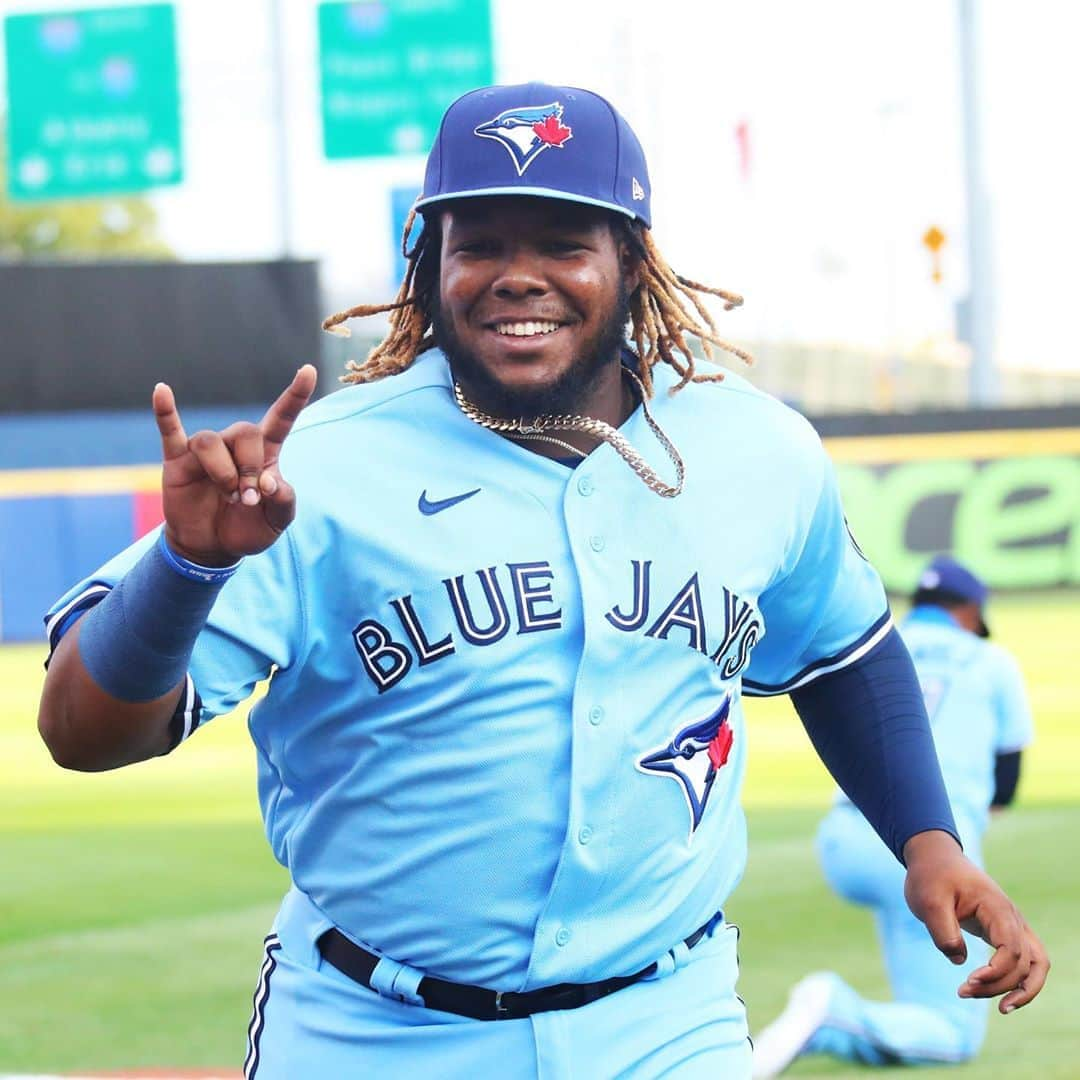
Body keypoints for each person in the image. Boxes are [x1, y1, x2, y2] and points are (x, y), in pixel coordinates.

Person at [37, 83, 1047, 1079]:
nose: (518, 276)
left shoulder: (757, 450)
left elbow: (843, 653)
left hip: (666, 1019)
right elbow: (81, 733)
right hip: (379, 1032)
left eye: (563, 244)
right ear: (430, 266)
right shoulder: (322, 464)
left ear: (631, 263)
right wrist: (187, 567)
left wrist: (929, 842)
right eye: (479, 244)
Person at [751, 555, 1036, 1077]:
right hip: (932, 850)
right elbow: (1009, 779)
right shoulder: (988, 660)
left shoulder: (882, 642)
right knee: (952, 1033)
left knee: (914, 954)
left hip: (848, 837)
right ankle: (834, 1011)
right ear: (970, 612)